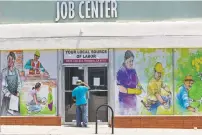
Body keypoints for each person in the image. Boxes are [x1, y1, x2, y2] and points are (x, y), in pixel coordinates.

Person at [116, 50, 143, 115]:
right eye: (129, 61)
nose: (131, 63)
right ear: (125, 60)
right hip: (124, 101)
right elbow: (121, 88)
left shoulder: (133, 70)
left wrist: (139, 86)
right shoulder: (121, 71)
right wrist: (134, 91)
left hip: (133, 100)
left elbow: (137, 79)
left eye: (132, 61)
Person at [1, 51, 22, 116]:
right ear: (7, 60)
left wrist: (18, 92)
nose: (10, 61)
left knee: (16, 117)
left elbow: (19, 83)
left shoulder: (17, 71)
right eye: (9, 59)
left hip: (15, 97)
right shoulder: (4, 72)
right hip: (7, 98)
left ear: (14, 60)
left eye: (12, 59)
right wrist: (10, 95)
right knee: (4, 116)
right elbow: (3, 87)